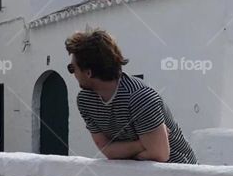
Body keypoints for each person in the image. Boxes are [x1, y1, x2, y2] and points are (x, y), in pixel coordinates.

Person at [65, 29, 197, 164]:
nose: (73, 74)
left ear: (88, 73)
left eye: (72, 68)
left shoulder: (140, 98)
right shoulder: (85, 100)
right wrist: (143, 144)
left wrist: (124, 153)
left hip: (180, 173)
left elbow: (160, 154)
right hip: (137, 173)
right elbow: (106, 149)